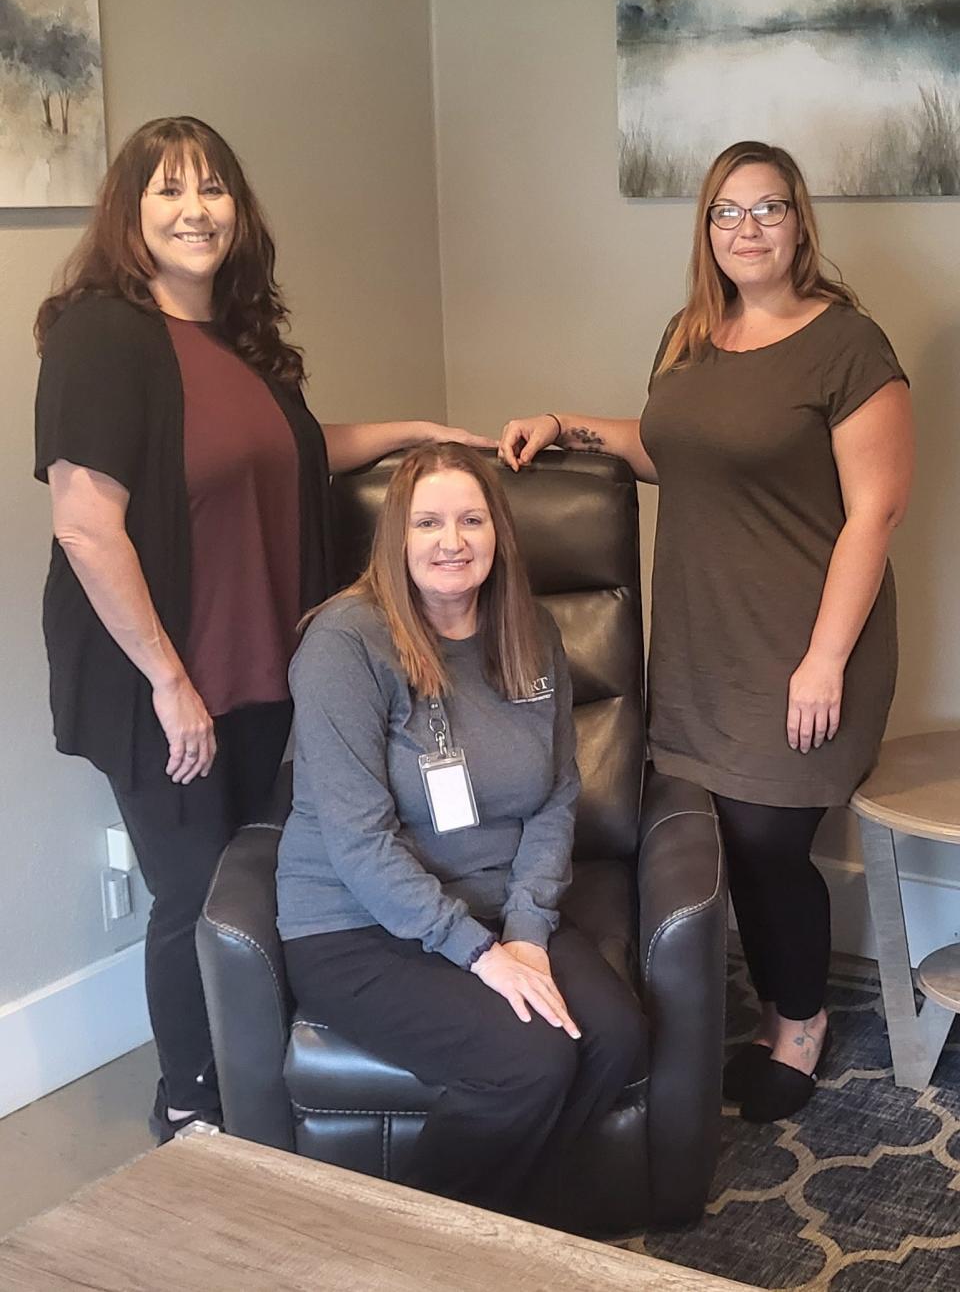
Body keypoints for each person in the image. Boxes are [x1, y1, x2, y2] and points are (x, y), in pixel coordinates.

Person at [33, 116, 489, 1143]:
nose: (196, 209)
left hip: (256, 674)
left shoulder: (232, 340)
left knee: (264, 876)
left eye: (214, 189)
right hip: (162, 680)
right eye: (169, 191)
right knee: (196, 892)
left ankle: (264, 1085)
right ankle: (188, 1104)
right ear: (130, 213)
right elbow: (85, 521)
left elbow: (297, 451)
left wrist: (424, 430)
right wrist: (168, 680)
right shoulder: (101, 334)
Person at [499, 140, 912, 1123]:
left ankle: (797, 1021)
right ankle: (758, 992)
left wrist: (824, 660)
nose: (748, 228)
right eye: (728, 212)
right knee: (714, 830)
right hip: (700, 635)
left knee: (770, 838)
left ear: (801, 222)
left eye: (768, 209)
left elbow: (876, 512)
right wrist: (569, 423)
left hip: (806, 640)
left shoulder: (850, 344)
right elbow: (672, 448)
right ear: (708, 231)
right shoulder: (688, 334)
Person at [276, 442, 645, 1217]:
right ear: (396, 539)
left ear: (498, 533)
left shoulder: (530, 629)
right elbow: (358, 840)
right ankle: (413, 1254)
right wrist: (479, 953)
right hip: (355, 925)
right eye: (429, 522)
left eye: (472, 518)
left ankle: (508, 1222)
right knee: (528, 1060)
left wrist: (528, 930)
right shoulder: (345, 643)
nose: (453, 541)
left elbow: (556, 793)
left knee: (614, 1032)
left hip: (491, 907)